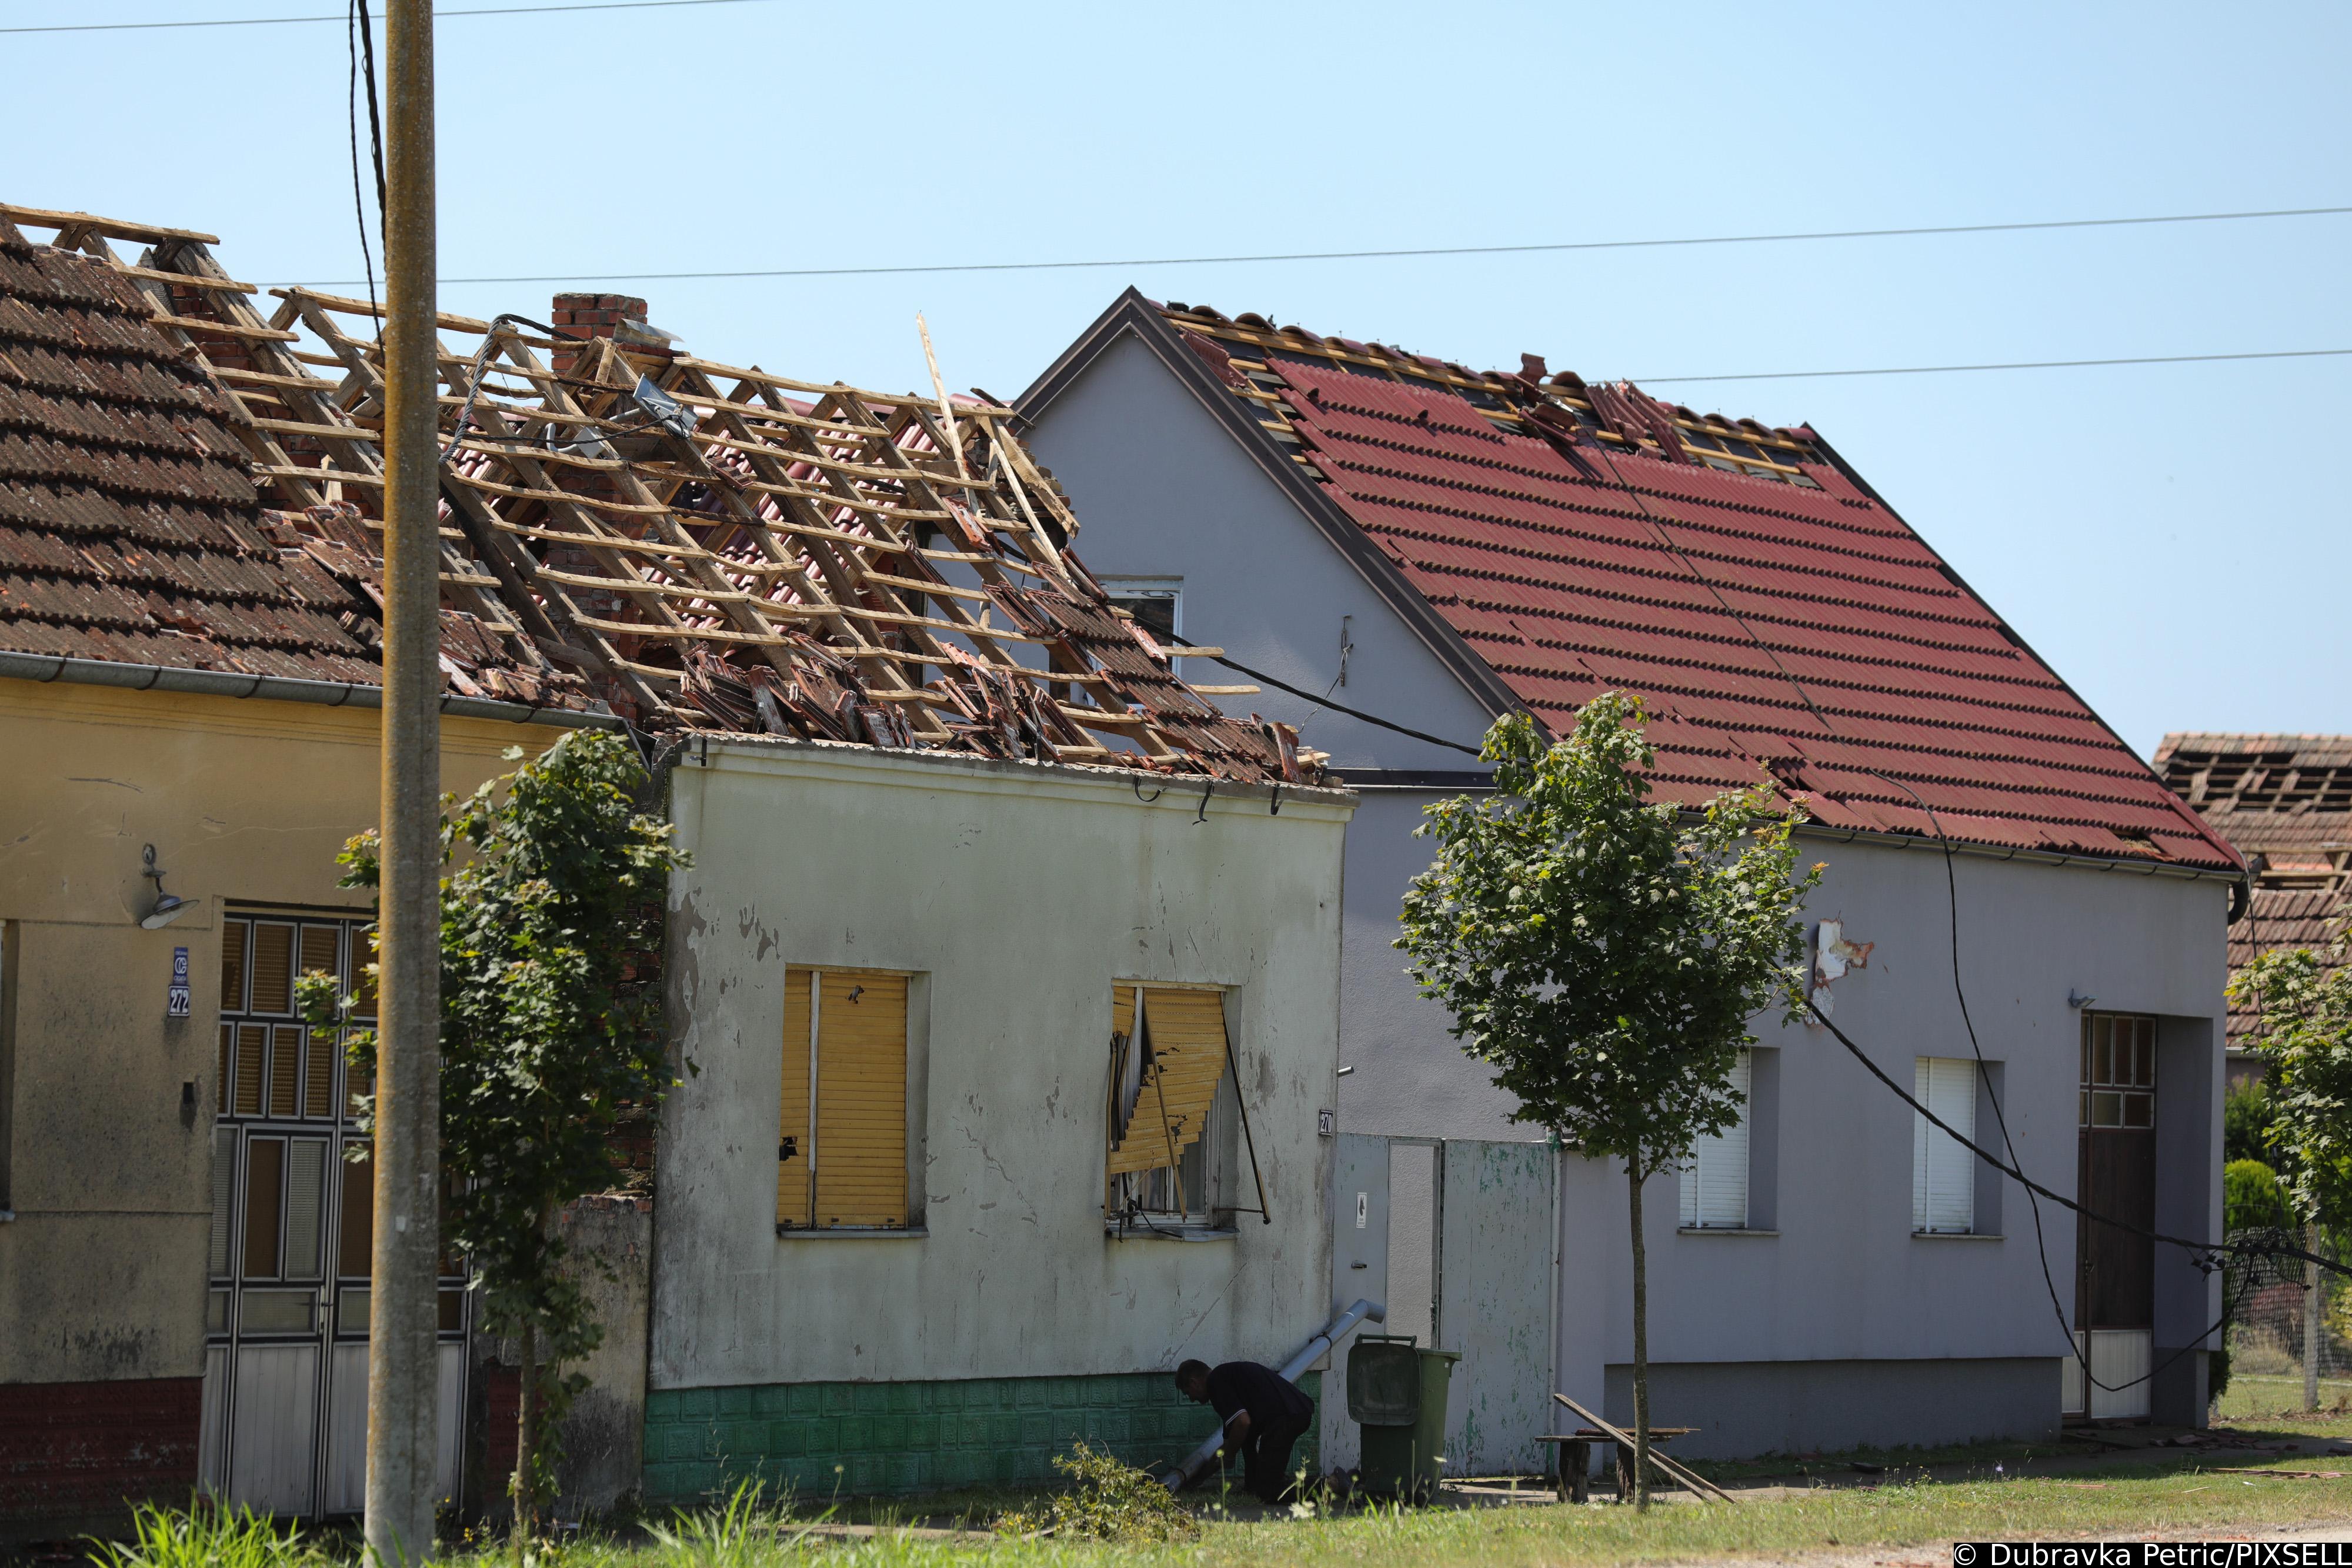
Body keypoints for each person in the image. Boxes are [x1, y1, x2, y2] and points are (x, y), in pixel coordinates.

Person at [1175, 1357, 1313, 1503]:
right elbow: (1229, 1444)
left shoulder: (1216, 1382)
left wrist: (1229, 1456)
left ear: (1193, 1382)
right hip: (1295, 1412)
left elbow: (1243, 1422)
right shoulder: (1226, 1378)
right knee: (1246, 1440)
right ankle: (1252, 1486)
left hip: (1286, 1418)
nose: (1191, 1399)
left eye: (1188, 1393)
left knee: (1269, 1490)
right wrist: (1198, 1478)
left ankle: (1330, 1484)